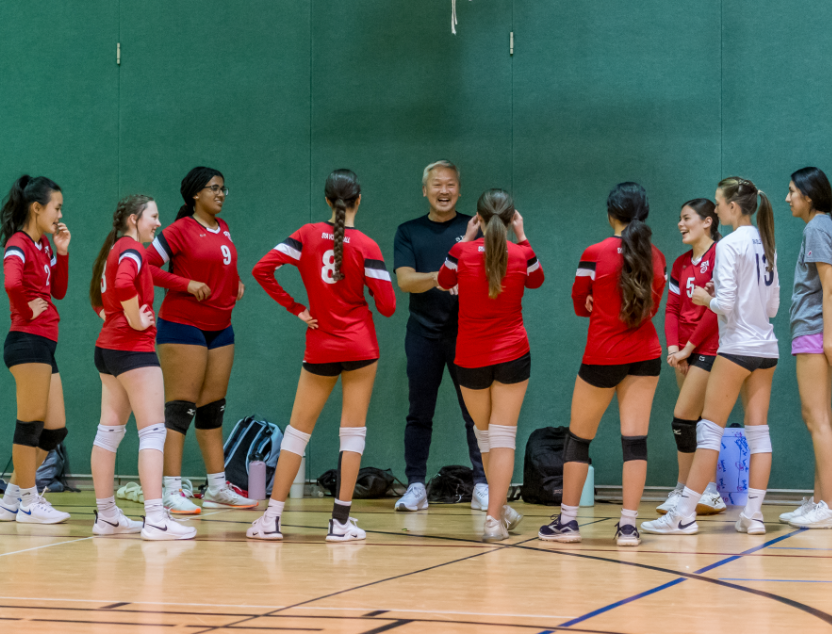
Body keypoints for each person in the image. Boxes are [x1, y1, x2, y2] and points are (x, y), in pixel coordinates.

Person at [248, 169, 395, 542]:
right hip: (361, 346)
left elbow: (261, 269)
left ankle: (271, 519)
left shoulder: (305, 235)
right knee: (353, 434)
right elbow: (389, 307)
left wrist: (296, 308)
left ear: (328, 201)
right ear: (358, 201)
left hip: (321, 344)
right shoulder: (368, 246)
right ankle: (340, 523)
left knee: (297, 434)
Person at [642, 176, 779, 537]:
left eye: (718, 204)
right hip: (767, 347)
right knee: (759, 433)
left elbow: (726, 306)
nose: (716, 210)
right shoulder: (767, 243)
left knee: (708, 429)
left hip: (735, 349)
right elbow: (775, 305)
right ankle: (753, 514)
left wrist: (707, 300)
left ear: (732, 207)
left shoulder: (729, 245)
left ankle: (684, 514)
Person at [538, 182, 666, 547]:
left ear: (611, 213)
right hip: (645, 356)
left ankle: (568, 523)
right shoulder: (657, 256)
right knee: (635, 442)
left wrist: (598, 302)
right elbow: (652, 306)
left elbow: (580, 303)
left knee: (578, 439)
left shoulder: (594, 253)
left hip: (602, 355)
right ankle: (628, 527)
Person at [145, 166, 254, 514]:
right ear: (196, 194)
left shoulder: (223, 228)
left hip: (221, 326)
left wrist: (234, 282)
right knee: (180, 409)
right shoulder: (178, 231)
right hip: (183, 325)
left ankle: (218, 487)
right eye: (214, 188)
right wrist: (185, 284)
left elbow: (223, 263)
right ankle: (171, 490)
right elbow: (144, 266)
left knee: (212, 409)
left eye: (224, 189)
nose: (221, 194)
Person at [437, 189, 543, 541]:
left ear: (478, 219)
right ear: (512, 218)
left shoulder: (460, 252)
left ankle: (496, 511)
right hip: (513, 354)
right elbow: (538, 279)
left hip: (470, 356)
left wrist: (466, 239)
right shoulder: (522, 253)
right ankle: (494, 516)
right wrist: (523, 235)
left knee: (486, 436)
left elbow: (443, 281)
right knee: (500, 437)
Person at [88, 194, 196, 540]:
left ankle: (106, 516)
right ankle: (156, 520)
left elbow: (102, 291)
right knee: (153, 432)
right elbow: (122, 286)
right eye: (154, 215)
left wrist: (122, 318)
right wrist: (135, 320)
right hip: (132, 350)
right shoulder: (132, 250)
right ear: (134, 219)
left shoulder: (116, 249)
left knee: (109, 433)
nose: (159, 222)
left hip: (107, 350)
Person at [393, 160, 488, 512]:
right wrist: (445, 276)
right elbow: (405, 280)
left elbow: (490, 273)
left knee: (476, 414)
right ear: (425, 190)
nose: (444, 191)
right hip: (422, 334)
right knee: (419, 413)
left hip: (468, 334)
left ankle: (483, 484)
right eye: (437, 184)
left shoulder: (475, 227)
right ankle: (416, 485)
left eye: (450, 184)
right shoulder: (408, 232)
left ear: (459, 190)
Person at [0, 176, 71, 525]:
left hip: (43, 343)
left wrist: (61, 252)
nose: (59, 214)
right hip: (26, 341)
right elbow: (11, 282)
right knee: (29, 425)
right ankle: (28, 502)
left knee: (54, 429)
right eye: (56, 208)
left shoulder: (42, 246)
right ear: (37, 208)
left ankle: (11, 497)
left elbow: (58, 290)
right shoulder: (18, 243)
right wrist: (28, 309)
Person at [656, 199, 726, 516]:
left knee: (683, 419)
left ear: (708, 221)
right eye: (679, 219)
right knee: (696, 421)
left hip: (709, 348)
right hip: (682, 353)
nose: (681, 224)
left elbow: (715, 313)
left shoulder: (720, 255)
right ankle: (704, 490)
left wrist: (689, 348)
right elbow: (671, 309)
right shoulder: (682, 262)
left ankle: (689, 489)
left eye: (687, 218)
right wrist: (674, 348)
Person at [782, 167, 832, 528]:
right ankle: (819, 499)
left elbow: (829, 286)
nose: (788, 199)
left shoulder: (817, 227)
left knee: (817, 419)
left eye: (792, 192)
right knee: (816, 418)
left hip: (815, 331)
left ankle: (826, 505)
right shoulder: (819, 226)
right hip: (812, 331)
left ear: (809, 195)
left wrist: (828, 337)